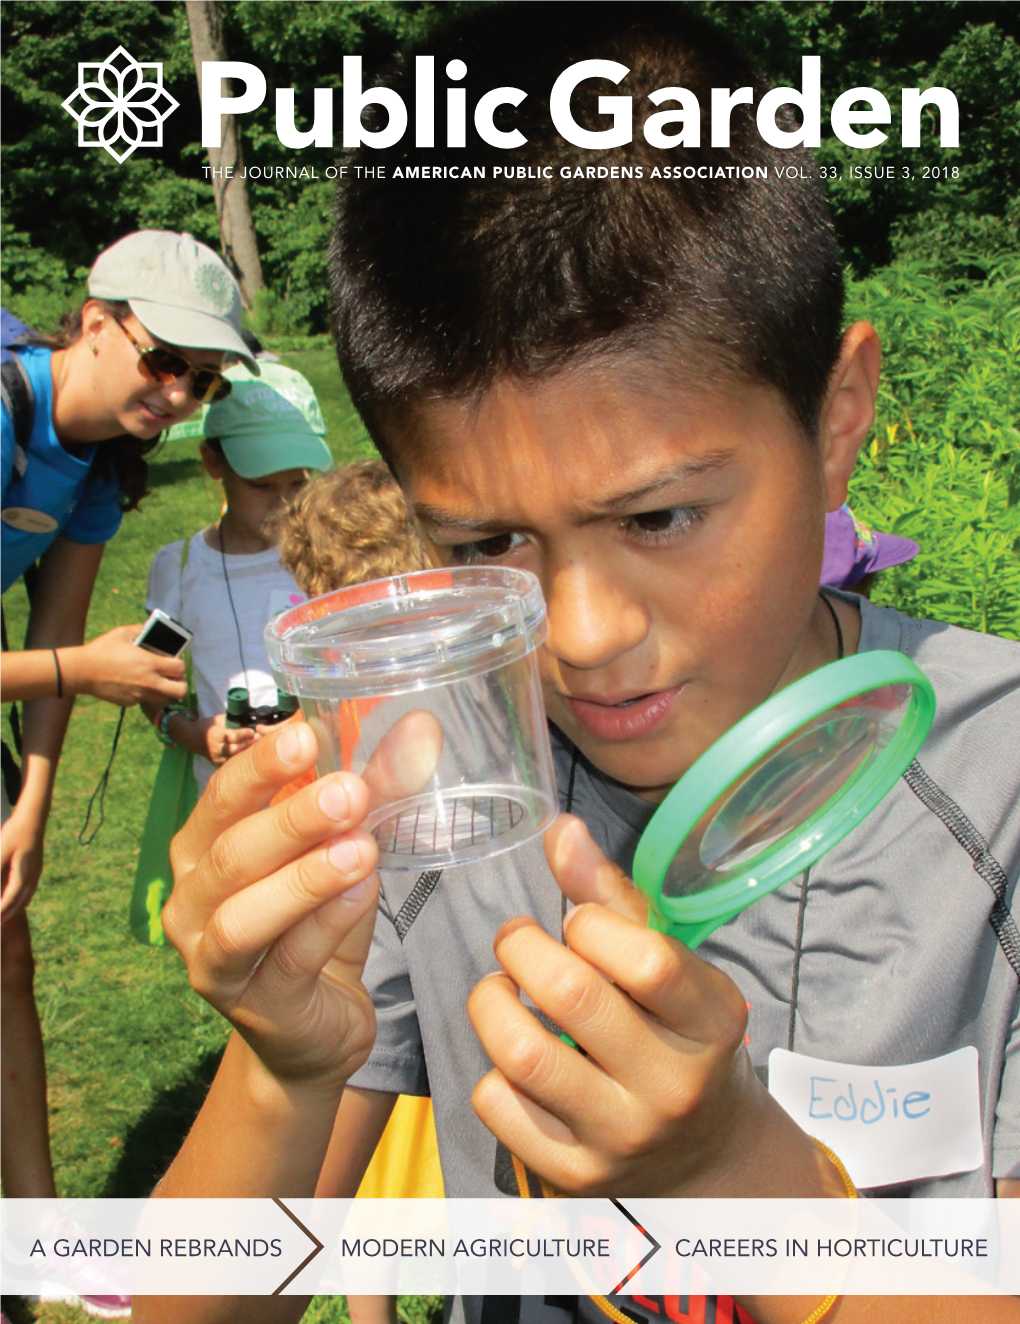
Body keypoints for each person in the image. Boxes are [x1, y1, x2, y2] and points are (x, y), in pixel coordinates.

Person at [138, 8, 1019, 1324]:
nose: (583, 633)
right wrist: (283, 1073)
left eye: (660, 516)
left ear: (837, 421)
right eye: (484, 540)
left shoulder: (995, 787)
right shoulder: (447, 789)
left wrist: (729, 1174)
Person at [1, 229, 253, 1217]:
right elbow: (70, 658)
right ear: (96, 326)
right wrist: (82, 668)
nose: (181, 397)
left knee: (7, 953)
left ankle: (35, 1231)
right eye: (164, 362)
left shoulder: (100, 466)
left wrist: (30, 808)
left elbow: (57, 634)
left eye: (205, 381)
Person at [143, 363, 333, 796]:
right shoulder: (184, 570)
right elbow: (150, 682)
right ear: (213, 462)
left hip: (324, 789)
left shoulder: (326, 557)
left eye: (299, 483)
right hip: (231, 803)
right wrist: (191, 734)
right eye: (261, 484)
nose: (283, 503)